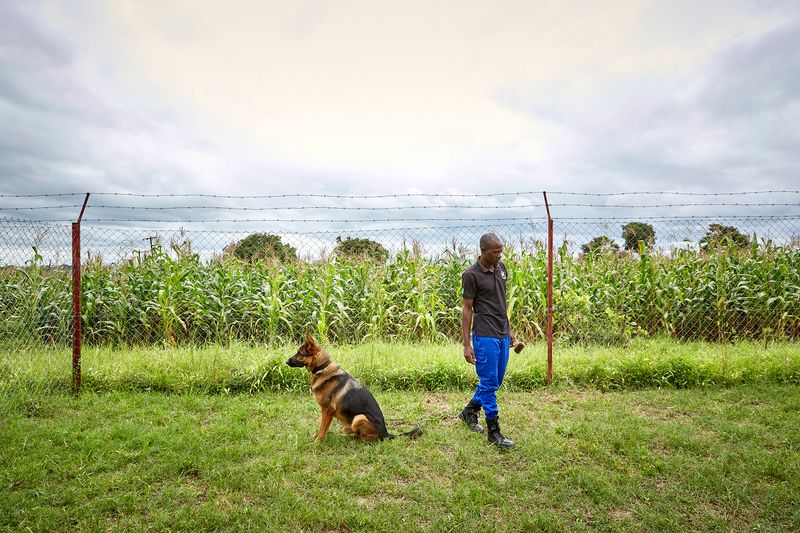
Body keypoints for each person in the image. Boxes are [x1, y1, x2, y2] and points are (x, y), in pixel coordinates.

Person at [458, 232, 516, 449]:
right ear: (483, 251)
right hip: (484, 336)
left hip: (502, 333)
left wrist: (510, 330)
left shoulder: (501, 269)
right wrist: (467, 344)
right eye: (495, 251)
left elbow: (501, 303)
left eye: (501, 251)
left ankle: (469, 411)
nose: (500, 255)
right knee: (490, 383)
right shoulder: (471, 275)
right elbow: (467, 309)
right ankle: (494, 432)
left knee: (495, 381)